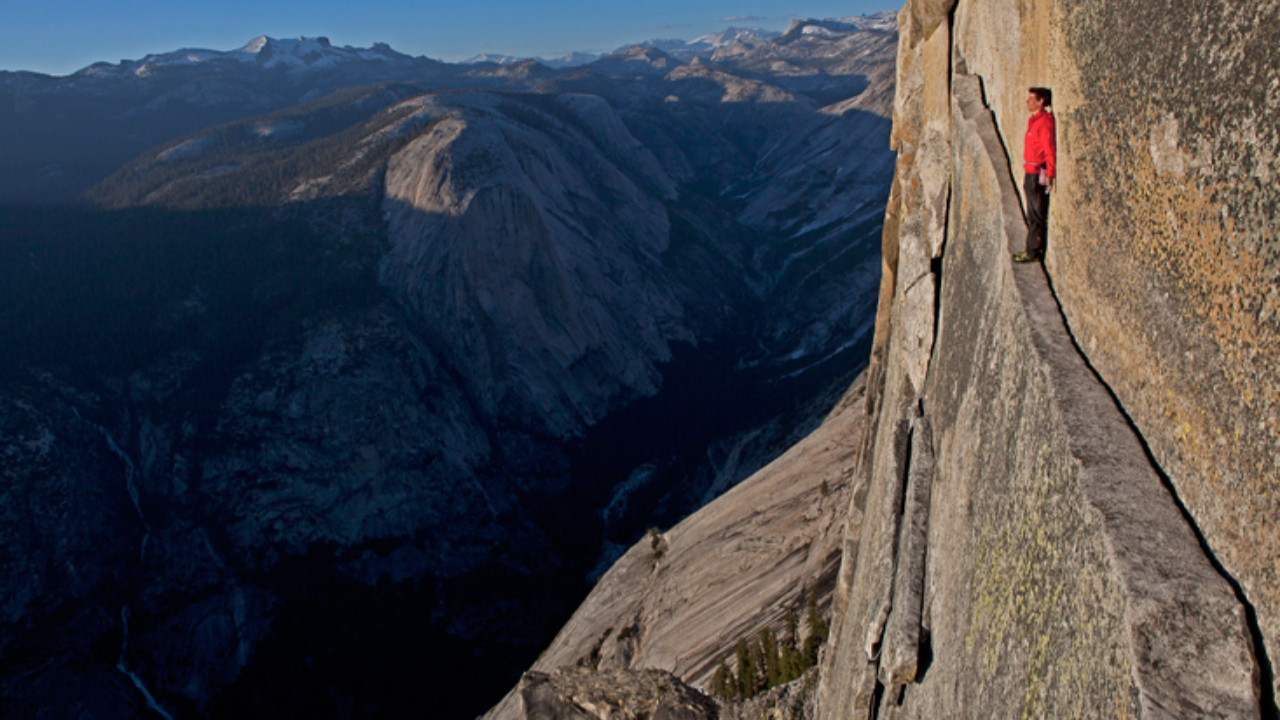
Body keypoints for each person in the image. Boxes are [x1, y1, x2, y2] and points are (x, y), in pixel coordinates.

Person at [1014, 87, 1055, 263]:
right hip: (1030, 171)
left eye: (1032, 98)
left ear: (1041, 102)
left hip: (1037, 174)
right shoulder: (1034, 121)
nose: (1027, 101)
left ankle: (1033, 252)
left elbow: (1049, 149)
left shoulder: (1044, 122)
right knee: (1032, 213)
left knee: (1036, 215)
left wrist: (1051, 173)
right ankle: (1031, 248)